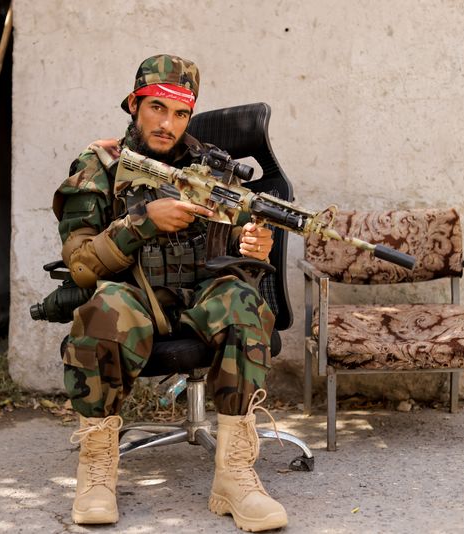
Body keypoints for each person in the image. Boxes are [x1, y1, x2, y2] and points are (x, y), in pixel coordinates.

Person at [52, 54, 288, 531]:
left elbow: (245, 233)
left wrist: (255, 245)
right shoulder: (100, 165)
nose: (168, 123)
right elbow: (79, 265)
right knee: (101, 315)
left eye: (181, 113)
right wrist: (142, 223)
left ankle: (235, 476)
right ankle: (97, 471)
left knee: (245, 305)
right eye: (157, 108)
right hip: (134, 295)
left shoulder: (208, 166)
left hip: (201, 293)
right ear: (135, 105)